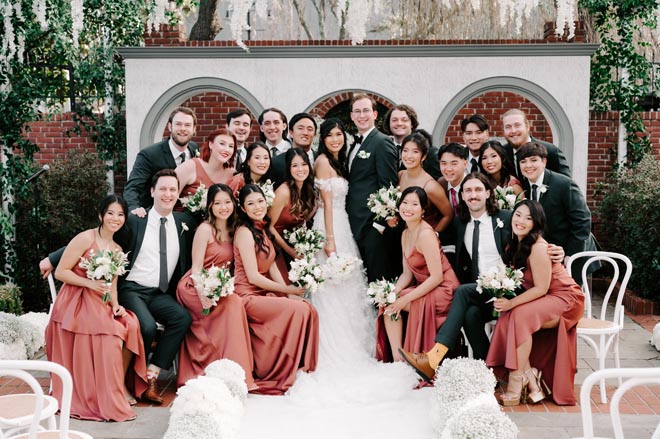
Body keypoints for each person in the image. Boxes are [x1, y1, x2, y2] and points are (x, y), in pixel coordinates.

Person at [286, 118, 417, 404]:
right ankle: (332, 349)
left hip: (344, 225)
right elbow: (327, 202)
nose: (335, 139)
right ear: (323, 139)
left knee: (349, 289)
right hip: (330, 226)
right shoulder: (322, 161)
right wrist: (330, 239)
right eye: (330, 135)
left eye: (339, 135)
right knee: (333, 288)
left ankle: (355, 345)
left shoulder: (339, 160)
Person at [41, 170, 194, 405]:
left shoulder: (184, 223)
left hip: (160, 293)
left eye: (173, 189)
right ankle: (132, 380)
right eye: (162, 189)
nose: (168, 194)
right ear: (152, 192)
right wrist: (53, 259)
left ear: (178, 194)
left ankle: (152, 374)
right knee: (146, 327)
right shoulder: (135, 219)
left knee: (181, 318)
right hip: (132, 289)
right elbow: (100, 237)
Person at [45, 194, 147, 421]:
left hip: (100, 301)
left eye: (120, 214)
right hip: (76, 300)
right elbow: (61, 272)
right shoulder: (85, 238)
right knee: (110, 334)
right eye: (110, 213)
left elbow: (113, 286)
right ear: (101, 215)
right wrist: (89, 283)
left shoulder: (118, 249)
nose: (115, 218)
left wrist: (117, 306)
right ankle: (102, 395)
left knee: (130, 323)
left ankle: (114, 387)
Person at [486, 200, 584, 406]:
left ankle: (516, 383)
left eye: (528, 218)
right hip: (547, 296)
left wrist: (512, 304)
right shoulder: (514, 244)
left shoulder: (538, 247)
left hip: (565, 297)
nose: (521, 221)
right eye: (518, 215)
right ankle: (530, 379)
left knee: (519, 315)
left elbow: (541, 287)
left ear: (536, 224)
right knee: (508, 316)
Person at [232, 184, 319, 395]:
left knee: (306, 307)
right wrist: (286, 289)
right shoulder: (244, 232)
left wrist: (290, 294)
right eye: (250, 204)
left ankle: (298, 367)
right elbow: (253, 276)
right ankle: (280, 369)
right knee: (299, 310)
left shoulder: (262, 229)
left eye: (260, 201)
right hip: (247, 295)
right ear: (243, 209)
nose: (257, 207)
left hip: (262, 292)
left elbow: (271, 266)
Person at [175, 184, 256, 390]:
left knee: (235, 303)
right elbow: (196, 268)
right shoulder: (205, 229)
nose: (223, 207)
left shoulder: (234, 230)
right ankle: (217, 367)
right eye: (218, 203)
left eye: (227, 202)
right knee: (232, 304)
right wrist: (203, 293)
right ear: (210, 206)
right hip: (195, 285)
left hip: (219, 286)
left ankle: (235, 374)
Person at [376, 186, 460, 363]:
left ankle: (411, 358)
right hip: (425, 287)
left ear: (423, 210)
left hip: (444, 289)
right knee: (388, 303)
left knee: (397, 303)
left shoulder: (425, 234)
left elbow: (437, 277)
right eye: (405, 202)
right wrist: (392, 292)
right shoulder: (405, 233)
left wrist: (404, 299)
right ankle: (398, 358)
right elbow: (407, 274)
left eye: (414, 204)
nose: (408, 207)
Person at [346, 93, 399, 282]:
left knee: (379, 277)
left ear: (375, 114)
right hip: (355, 223)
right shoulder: (352, 144)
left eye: (366, 110)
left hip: (373, 226)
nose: (362, 115)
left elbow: (389, 186)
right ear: (352, 115)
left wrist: (380, 224)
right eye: (357, 111)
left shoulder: (382, 142)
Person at [517, 142, 593, 263]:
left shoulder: (564, 184)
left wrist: (571, 254)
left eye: (533, 160)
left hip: (570, 257)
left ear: (544, 162)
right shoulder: (523, 187)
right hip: (543, 256)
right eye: (523, 161)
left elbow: (582, 220)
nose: (528, 165)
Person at [124, 107, 200, 217]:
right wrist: (134, 209)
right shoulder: (149, 155)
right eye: (178, 124)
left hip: (187, 218)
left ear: (194, 129)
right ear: (170, 126)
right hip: (155, 217)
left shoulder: (194, 149)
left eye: (187, 125)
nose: (183, 128)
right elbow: (133, 187)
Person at [270, 148, 317, 282]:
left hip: (294, 244)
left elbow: (303, 219)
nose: (300, 169)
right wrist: (290, 251)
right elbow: (269, 226)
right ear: (289, 169)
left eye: (303, 164)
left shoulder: (307, 189)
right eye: (295, 165)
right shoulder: (283, 192)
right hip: (277, 245)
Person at [396, 132, 453, 232]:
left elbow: (448, 215)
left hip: (424, 236)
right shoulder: (400, 175)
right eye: (405, 150)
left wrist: (434, 236)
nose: (409, 156)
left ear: (424, 156)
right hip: (403, 235)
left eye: (415, 152)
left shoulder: (431, 187)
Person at [175, 128, 236, 212]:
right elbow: (168, 197)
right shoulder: (189, 167)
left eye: (231, 146)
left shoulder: (232, 174)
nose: (226, 149)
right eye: (222, 144)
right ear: (211, 144)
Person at [501, 109, 571, 180]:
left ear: (527, 126)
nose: (513, 131)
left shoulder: (551, 151)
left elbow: (567, 185)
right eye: (508, 127)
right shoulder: (502, 153)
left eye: (517, 125)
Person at [271, 113, 317, 187]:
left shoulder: (321, 158)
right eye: (300, 128)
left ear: (314, 134)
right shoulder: (276, 162)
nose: (305, 133)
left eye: (310, 129)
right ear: (291, 133)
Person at [437, 142, 469, 215]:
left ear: (465, 164)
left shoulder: (472, 185)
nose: (448, 169)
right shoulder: (441, 184)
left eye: (454, 163)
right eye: (444, 163)